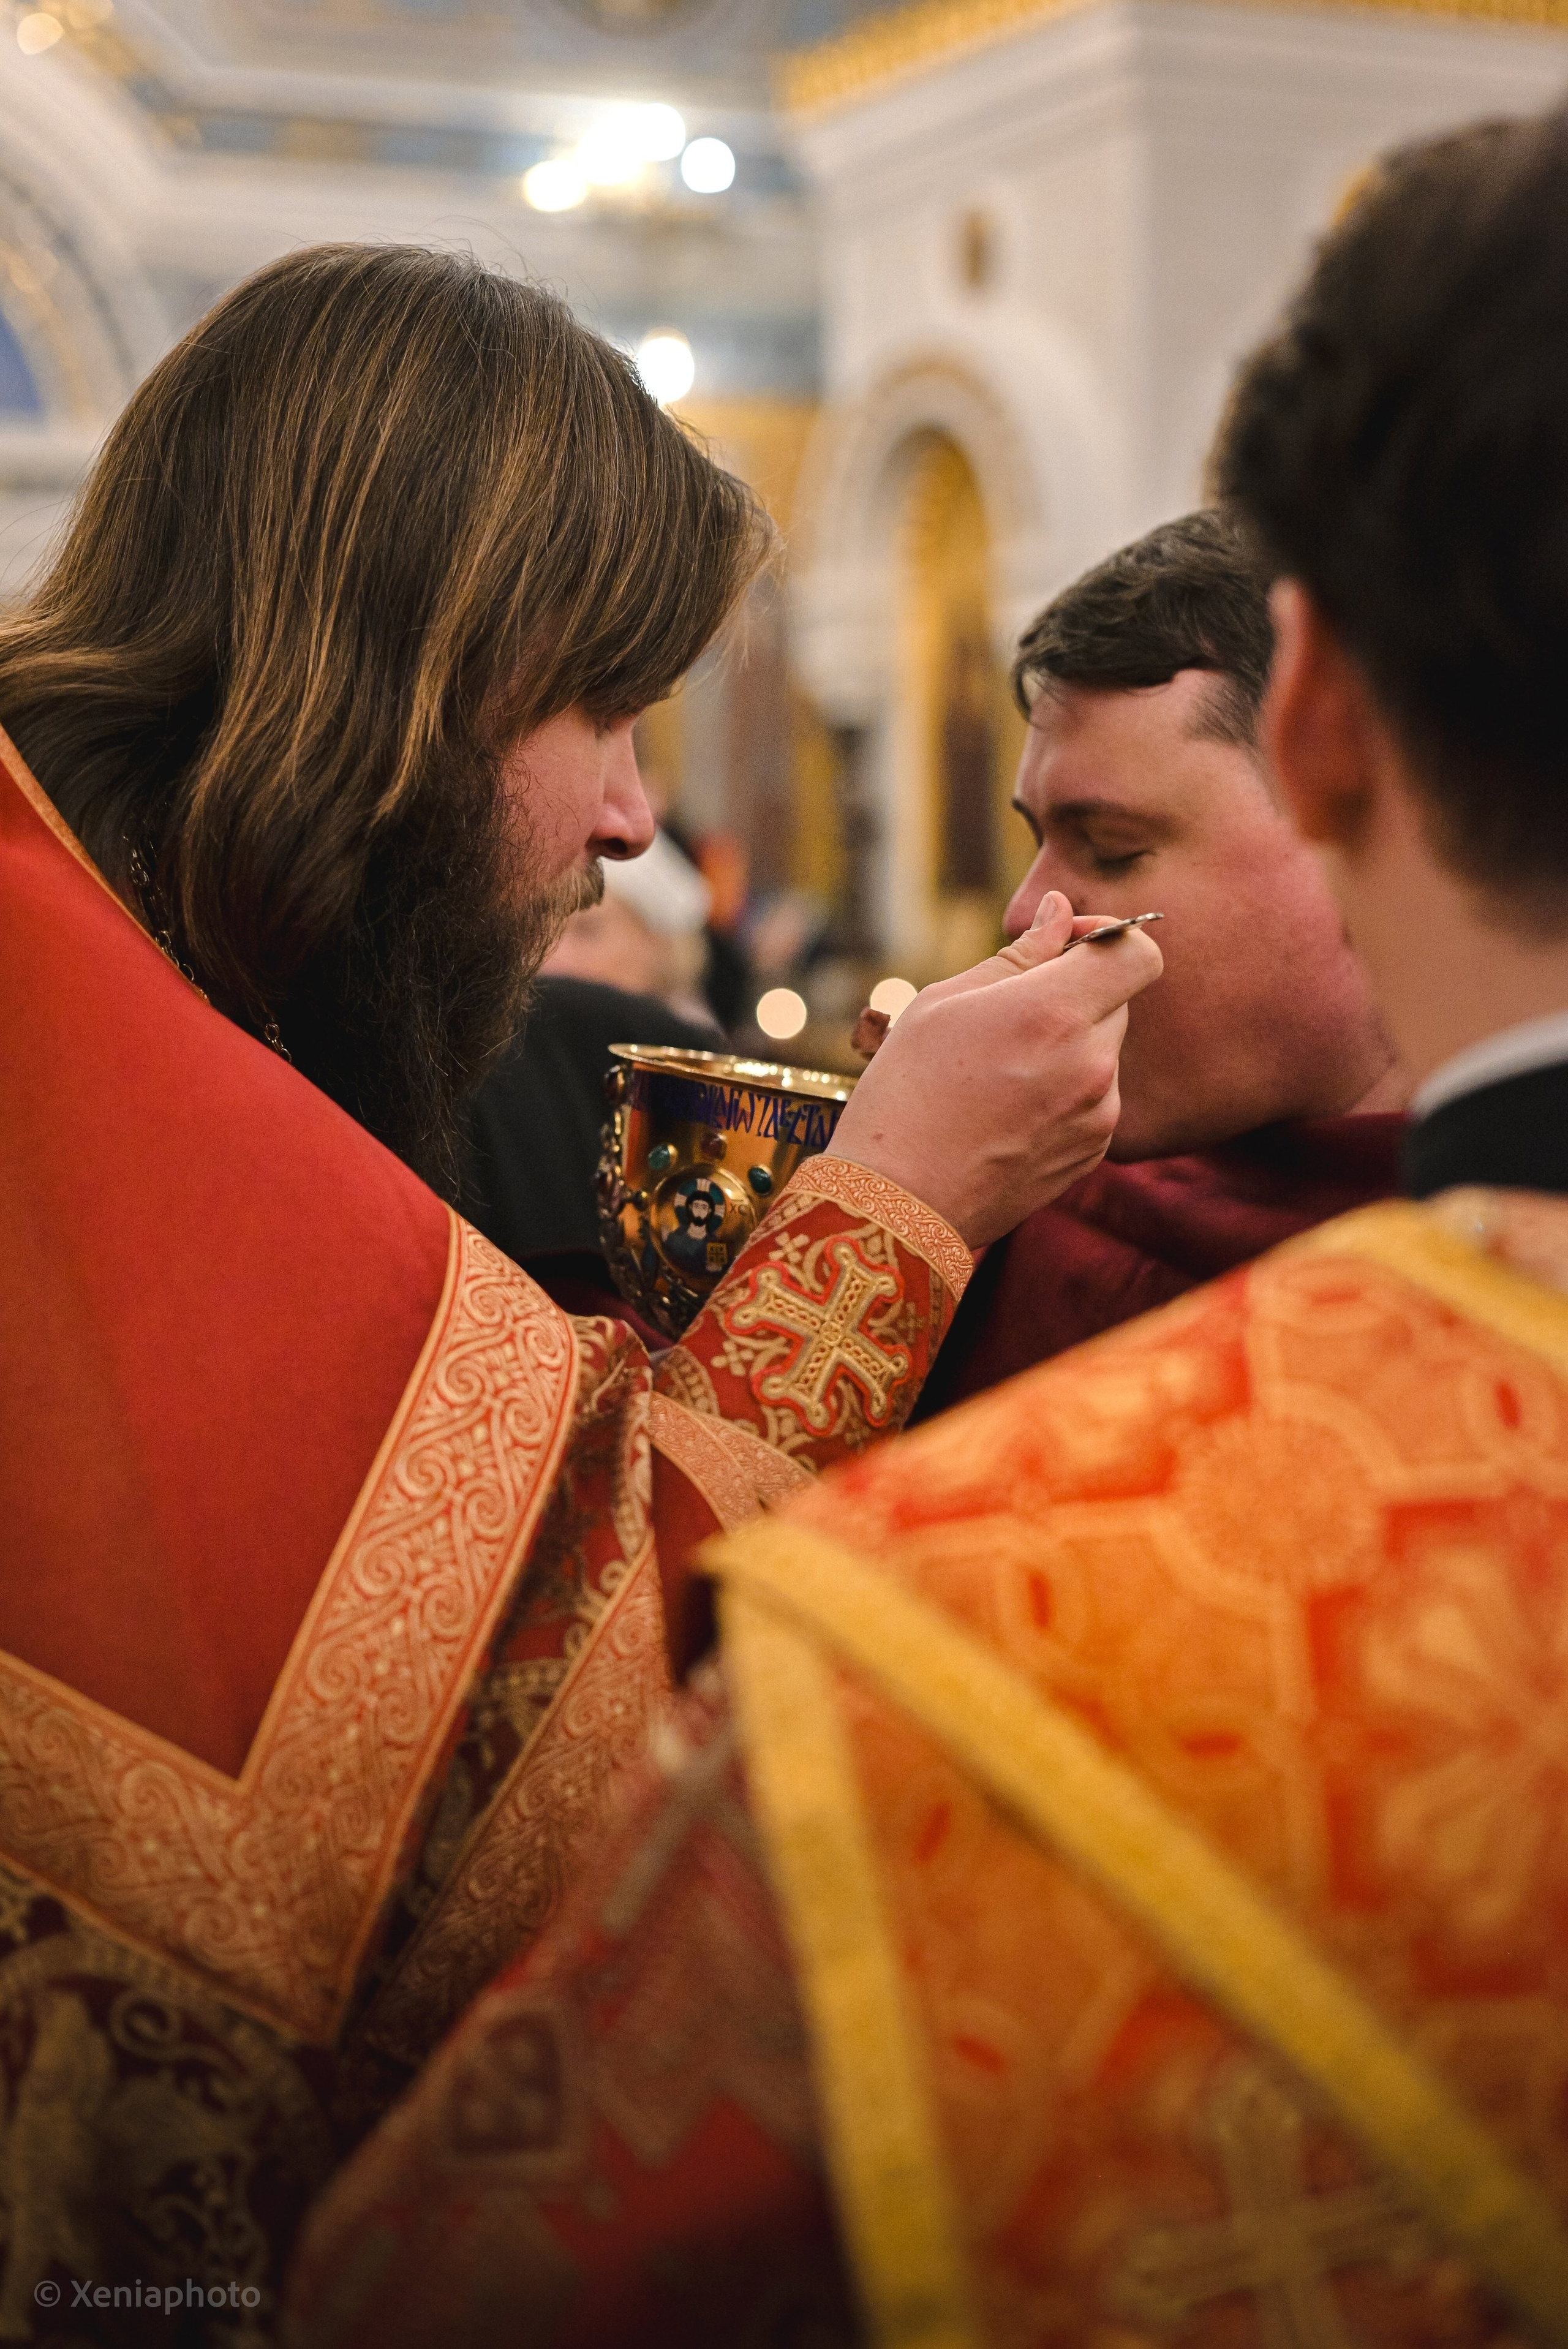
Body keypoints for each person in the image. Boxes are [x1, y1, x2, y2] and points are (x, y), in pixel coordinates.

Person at [290, 111, 1568, 2349]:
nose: (1045, 921)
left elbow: (436, 2276)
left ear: (1339, 733)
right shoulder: (1069, 1246)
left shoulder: (977, 1619)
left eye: (1115, 845)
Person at [0, 244, 1160, 2337]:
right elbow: (545, 1775)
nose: (637, 816)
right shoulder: (68, 1038)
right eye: (599, 712)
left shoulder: (110, 966)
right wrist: (893, 1200)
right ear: (406, 671)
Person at [916, 511, 1407, 1419]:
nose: (1028, 912)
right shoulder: (1019, 1200)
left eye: (1108, 848)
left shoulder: (1516, 1253)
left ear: (1356, 841)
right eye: (1038, 840)